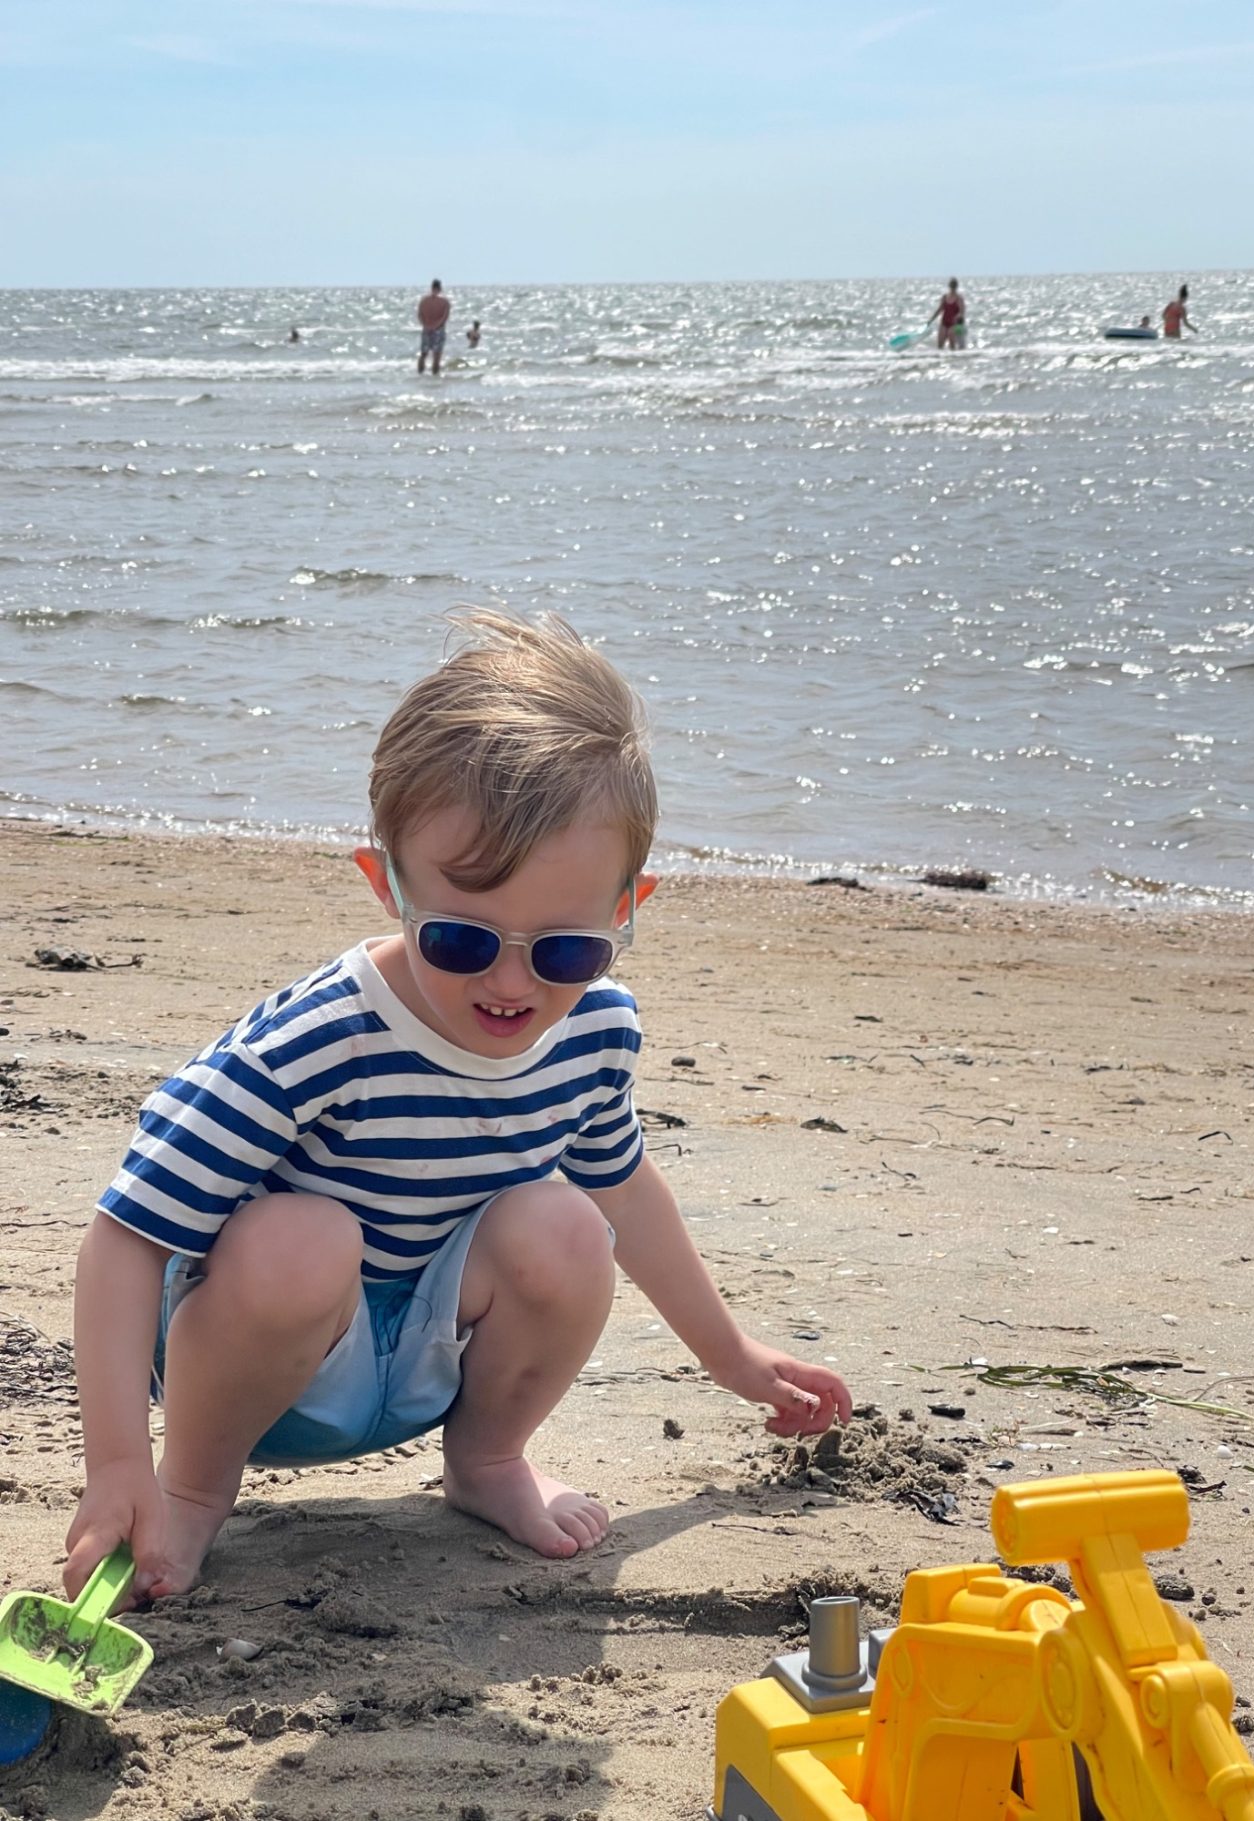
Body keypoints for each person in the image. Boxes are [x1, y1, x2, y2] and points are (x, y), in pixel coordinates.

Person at [62, 611, 853, 1604]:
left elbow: (625, 1192)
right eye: (462, 941)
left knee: (567, 1222)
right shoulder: (318, 1039)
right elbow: (126, 1236)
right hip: (259, 1372)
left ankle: (486, 1461)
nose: (512, 983)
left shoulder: (596, 1029)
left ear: (626, 908)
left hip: (431, 1365)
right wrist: (119, 1465)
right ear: (386, 885)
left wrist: (731, 1355)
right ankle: (195, 1491)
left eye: (565, 949)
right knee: (302, 1237)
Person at [417, 278, 451, 375]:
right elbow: (445, 317)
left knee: (423, 354)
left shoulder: (424, 301)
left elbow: (420, 315)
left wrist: (426, 325)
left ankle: (420, 375)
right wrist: (436, 326)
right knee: (436, 356)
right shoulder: (444, 302)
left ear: (431, 287)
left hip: (426, 329)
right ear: (440, 288)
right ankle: (435, 377)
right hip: (438, 330)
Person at [929, 278, 967, 351]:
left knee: (951, 342)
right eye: (952, 285)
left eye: (954, 286)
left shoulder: (959, 298)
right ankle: (940, 357)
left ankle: (953, 356)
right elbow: (940, 309)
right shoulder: (945, 297)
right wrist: (931, 319)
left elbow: (962, 312)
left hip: (954, 323)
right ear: (949, 286)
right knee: (940, 344)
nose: (953, 287)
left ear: (956, 286)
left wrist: (958, 317)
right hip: (944, 322)